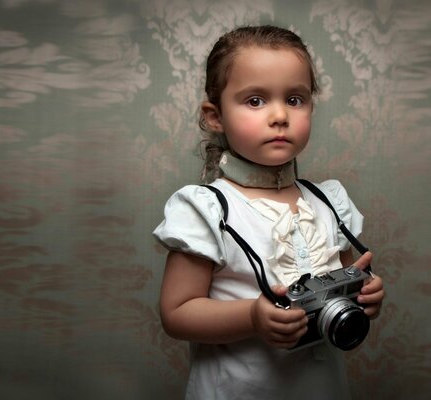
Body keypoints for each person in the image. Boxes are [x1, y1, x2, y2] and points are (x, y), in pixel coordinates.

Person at [153, 25, 385, 400]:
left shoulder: (328, 202)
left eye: (295, 100)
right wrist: (252, 317)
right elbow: (176, 313)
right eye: (255, 101)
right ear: (215, 116)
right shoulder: (207, 209)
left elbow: (342, 282)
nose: (280, 115)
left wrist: (363, 295)